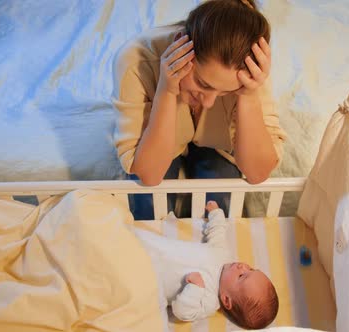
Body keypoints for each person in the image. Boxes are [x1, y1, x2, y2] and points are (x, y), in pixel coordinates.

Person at [112, 0, 286, 219]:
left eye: (225, 92)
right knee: (149, 206)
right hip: (158, 140)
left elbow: (257, 173)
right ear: (180, 49)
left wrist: (248, 96)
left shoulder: (248, 71)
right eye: (203, 84)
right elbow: (150, 175)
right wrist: (166, 91)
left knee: (222, 209)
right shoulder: (136, 59)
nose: (209, 103)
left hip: (217, 148)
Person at [133, 201, 279, 329]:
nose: (243, 266)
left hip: (147, 277)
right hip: (151, 246)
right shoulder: (222, 255)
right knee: (129, 236)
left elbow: (182, 312)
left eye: (242, 276)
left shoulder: (209, 301)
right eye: (251, 268)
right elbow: (218, 232)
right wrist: (216, 213)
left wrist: (195, 288)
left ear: (226, 299)